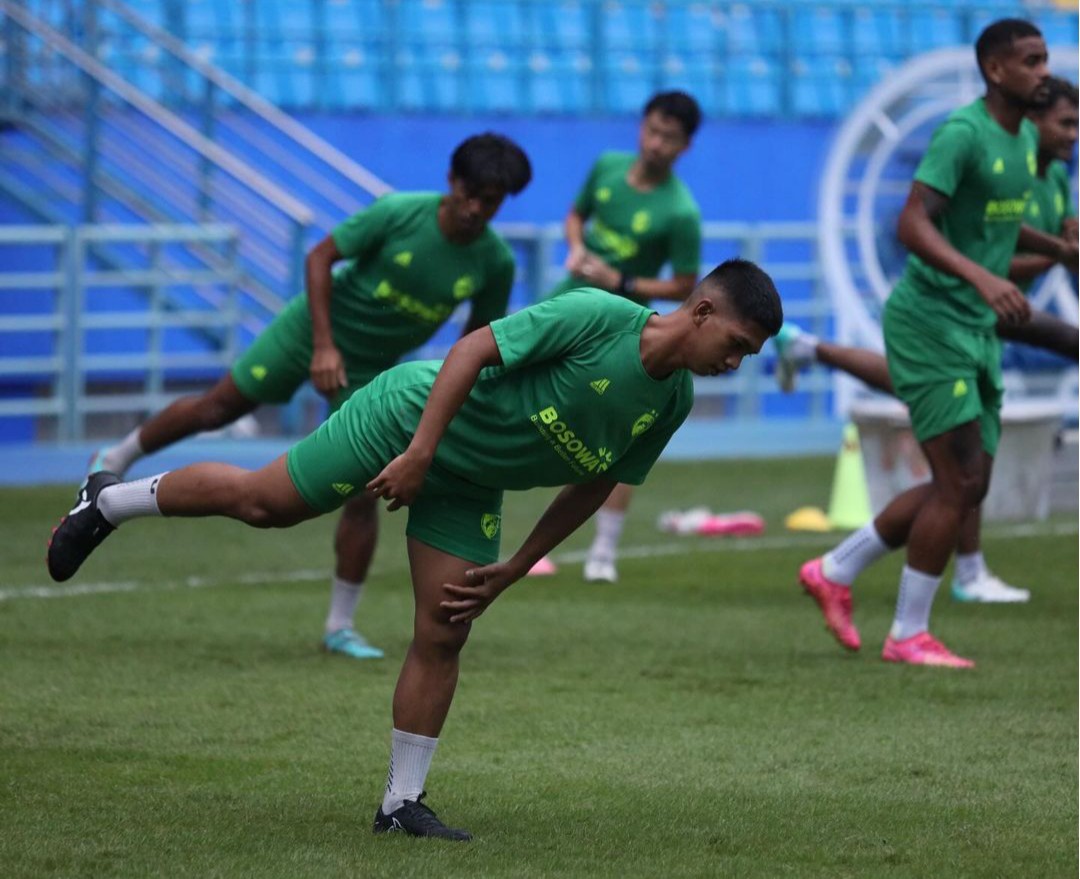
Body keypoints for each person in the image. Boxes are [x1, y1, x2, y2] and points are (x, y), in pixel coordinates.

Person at [46, 259, 784, 840]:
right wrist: (421, 452)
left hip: (472, 480)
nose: (735, 363)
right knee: (266, 504)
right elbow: (470, 350)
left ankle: (401, 803)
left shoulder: (672, 402)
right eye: (737, 346)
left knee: (446, 623)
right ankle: (108, 500)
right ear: (702, 312)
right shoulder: (598, 316)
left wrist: (514, 567)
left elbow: (595, 484)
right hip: (408, 419)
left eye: (747, 356)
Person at [87, 133, 532, 660]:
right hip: (311, 334)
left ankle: (339, 627)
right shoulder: (398, 214)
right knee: (219, 407)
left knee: (363, 490)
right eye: (471, 194)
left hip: (370, 372)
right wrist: (323, 345)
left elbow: (474, 344)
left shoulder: (494, 262)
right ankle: (113, 459)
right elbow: (321, 258)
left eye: (491, 201)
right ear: (452, 181)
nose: (478, 209)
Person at [796, 20, 1077, 668]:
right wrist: (982, 276)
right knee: (957, 482)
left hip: (975, 326)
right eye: (1031, 61)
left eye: (1045, 59)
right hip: (931, 322)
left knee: (969, 484)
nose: (1042, 71)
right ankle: (907, 633)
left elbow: (992, 221)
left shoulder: (1021, 139)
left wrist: (1055, 248)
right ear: (995, 70)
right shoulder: (963, 133)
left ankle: (835, 570)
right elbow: (912, 221)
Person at [538, 90, 704, 584]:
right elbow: (575, 215)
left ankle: (603, 551)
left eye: (668, 138)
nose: (655, 144)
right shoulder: (607, 166)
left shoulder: (681, 212)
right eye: (651, 130)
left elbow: (685, 285)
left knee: (618, 434)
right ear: (641, 126)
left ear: (685, 146)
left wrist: (622, 281)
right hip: (566, 306)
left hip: (624, 329)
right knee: (516, 399)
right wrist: (575, 248)